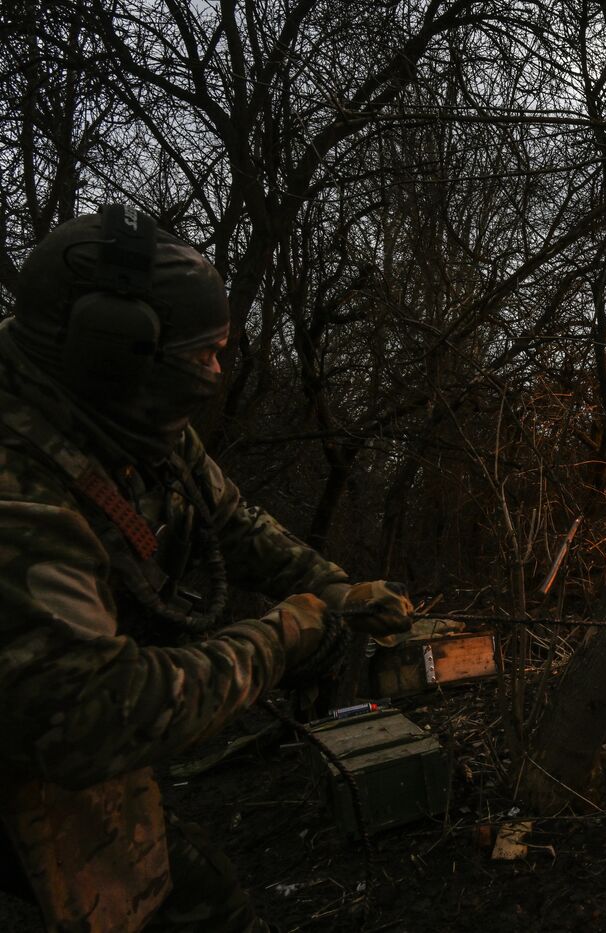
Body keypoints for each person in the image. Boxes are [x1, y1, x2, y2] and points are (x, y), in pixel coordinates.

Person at [0, 205, 413, 932]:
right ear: (115, 351)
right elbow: (97, 718)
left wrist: (334, 587)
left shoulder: (120, 409)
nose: (218, 374)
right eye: (203, 356)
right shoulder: (18, 493)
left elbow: (231, 520)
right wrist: (280, 641)